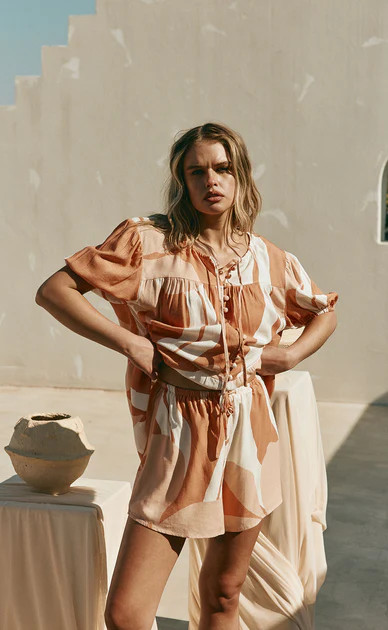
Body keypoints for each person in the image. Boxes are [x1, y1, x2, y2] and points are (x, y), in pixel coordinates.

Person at [35, 122, 338, 630]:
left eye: (222, 168)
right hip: (178, 433)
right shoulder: (147, 241)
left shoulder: (268, 259)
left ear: (240, 176)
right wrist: (129, 342)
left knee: (224, 594)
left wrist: (290, 356)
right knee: (126, 612)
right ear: (182, 181)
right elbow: (55, 291)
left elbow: (323, 311)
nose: (210, 180)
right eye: (196, 171)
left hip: (249, 435)